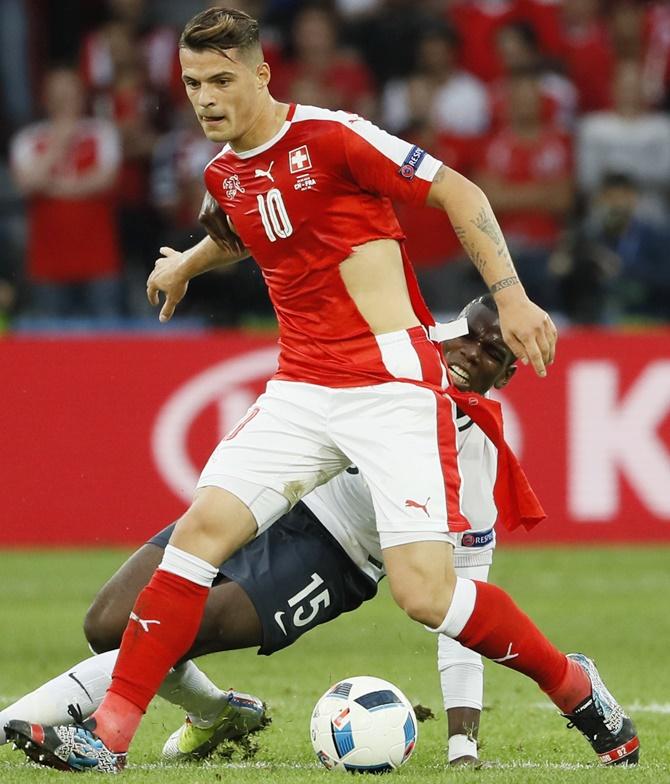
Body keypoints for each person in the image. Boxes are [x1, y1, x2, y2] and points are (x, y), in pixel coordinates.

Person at [6, 7, 637, 774]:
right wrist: (184, 266)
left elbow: (461, 193)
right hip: (301, 386)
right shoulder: (222, 174)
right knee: (202, 532)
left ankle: (574, 685)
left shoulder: (334, 138)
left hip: (391, 388)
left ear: (262, 73)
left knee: (427, 597)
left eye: (222, 80)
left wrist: (508, 296)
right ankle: (108, 737)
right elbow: (246, 226)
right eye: (193, 83)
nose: (205, 98)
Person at [1, 296, 514, 769]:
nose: (469, 353)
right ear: (446, 327)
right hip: (272, 494)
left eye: (490, 352)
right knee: (106, 623)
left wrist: (462, 745)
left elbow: (463, 607)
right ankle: (218, 714)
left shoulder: (473, 470)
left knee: (175, 632)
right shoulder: (391, 353)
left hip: (332, 556)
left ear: (507, 375)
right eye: (466, 335)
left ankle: (35, 733)